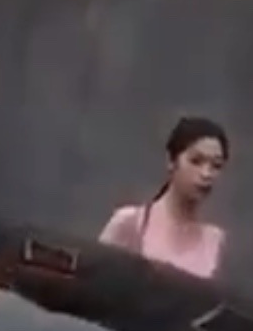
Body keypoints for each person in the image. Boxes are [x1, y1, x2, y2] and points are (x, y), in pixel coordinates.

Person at [98, 116, 229, 278]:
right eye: (196, 161)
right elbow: (94, 282)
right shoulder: (132, 223)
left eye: (216, 166)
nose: (206, 174)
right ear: (171, 161)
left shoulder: (215, 241)